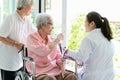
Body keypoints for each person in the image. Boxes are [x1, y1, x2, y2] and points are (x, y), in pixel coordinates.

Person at [26, 13, 77, 80]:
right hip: (39, 72)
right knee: (50, 79)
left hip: (55, 70)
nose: (53, 27)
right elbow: (43, 51)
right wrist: (56, 41)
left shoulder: (52, 40)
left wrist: (62, 68)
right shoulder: (31, 38)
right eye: (51, 24)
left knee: (72, 77)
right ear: (42, 25)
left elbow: (59, 57)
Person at [66, 11, 115, 80]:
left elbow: (81, 57)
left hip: (93, 77)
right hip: (108, 76)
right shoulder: (108, 38)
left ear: (92, 23)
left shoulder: (89, 38)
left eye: (85, 22)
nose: (84, 24)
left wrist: (68, 52)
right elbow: (98, 56)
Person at [0, 0, 36, 80]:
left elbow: (35, 33)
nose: (32, 9)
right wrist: (15, 44)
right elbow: (1, 37)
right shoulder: (10, 18)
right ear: (24, 6)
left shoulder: (27, 20)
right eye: (31, 6)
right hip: (8, 62)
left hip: (19, 61)